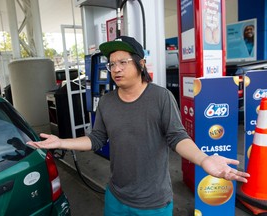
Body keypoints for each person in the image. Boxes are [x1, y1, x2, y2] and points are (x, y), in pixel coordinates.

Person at [27, 36, 249, 216]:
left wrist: (203, 159)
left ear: (140, 64)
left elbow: (176, 136)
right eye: (111, 64)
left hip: (154, 203)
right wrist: (61, 141)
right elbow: (96, 139)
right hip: (116, 197)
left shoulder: (161, 97)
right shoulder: (107, 102)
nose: (116, 69)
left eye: (123, 62)